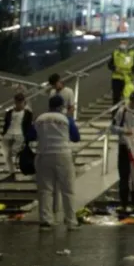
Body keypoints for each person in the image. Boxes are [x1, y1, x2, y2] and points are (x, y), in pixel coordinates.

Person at [28, 95, 81, 229]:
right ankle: (71, 222)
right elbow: (76, 137)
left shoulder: (39, 119)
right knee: (68, 190)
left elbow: (30, 136)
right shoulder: (66, 119)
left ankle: (46, 221)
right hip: (63, 154)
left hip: (43, 155)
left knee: (45, 190)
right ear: (61, 107)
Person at [0, 93, 33, 182]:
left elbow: (28, 126)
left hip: (20, 134)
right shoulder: (9, 112)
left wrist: (27, 138)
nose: (19, 104)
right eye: (17, 102)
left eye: (20, 102)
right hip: (8, 134)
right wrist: (3, 133)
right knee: (6, 154)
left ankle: (18, 167)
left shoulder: (27, 113)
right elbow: (6, 123)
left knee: (13, 152)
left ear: (24, 102)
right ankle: (12, 173)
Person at [108, 39, 134, 105]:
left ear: (128, 44)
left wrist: (132, 72)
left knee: (129, 95)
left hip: (128, 78)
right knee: (116, 97)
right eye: (121, 43)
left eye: (125, 43)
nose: (123, 45)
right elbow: (110, 64)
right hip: (117, 78)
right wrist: (115, 68)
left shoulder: (132, 53)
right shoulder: (115, 53)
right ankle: (116, 111)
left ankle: (128, 109)